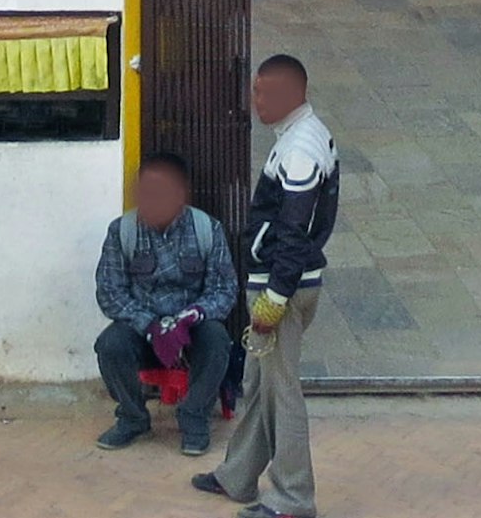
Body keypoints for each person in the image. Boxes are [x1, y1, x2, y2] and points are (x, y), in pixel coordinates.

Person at [199, 55, 336, 518]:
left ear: (294, 94)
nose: (256, 101)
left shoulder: (301, 150)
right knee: (258, 384)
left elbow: (294, 234)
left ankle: (292, 499)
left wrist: (274, 300)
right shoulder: (299, 136)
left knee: (282, 393)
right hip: (277, 283)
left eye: (265, 93)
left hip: (283, 290)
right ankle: (238, 475)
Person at [90, 154, 236, 455]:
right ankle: (132, 418)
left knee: (218, 340)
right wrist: (149, 325)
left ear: (181, 195)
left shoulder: (208, 229)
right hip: (142, 327)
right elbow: (110, 292)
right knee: (109, 345)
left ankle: (194, 417)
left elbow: (224, 290)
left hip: (191, 329)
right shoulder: (122, 232)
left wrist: (191, 317)